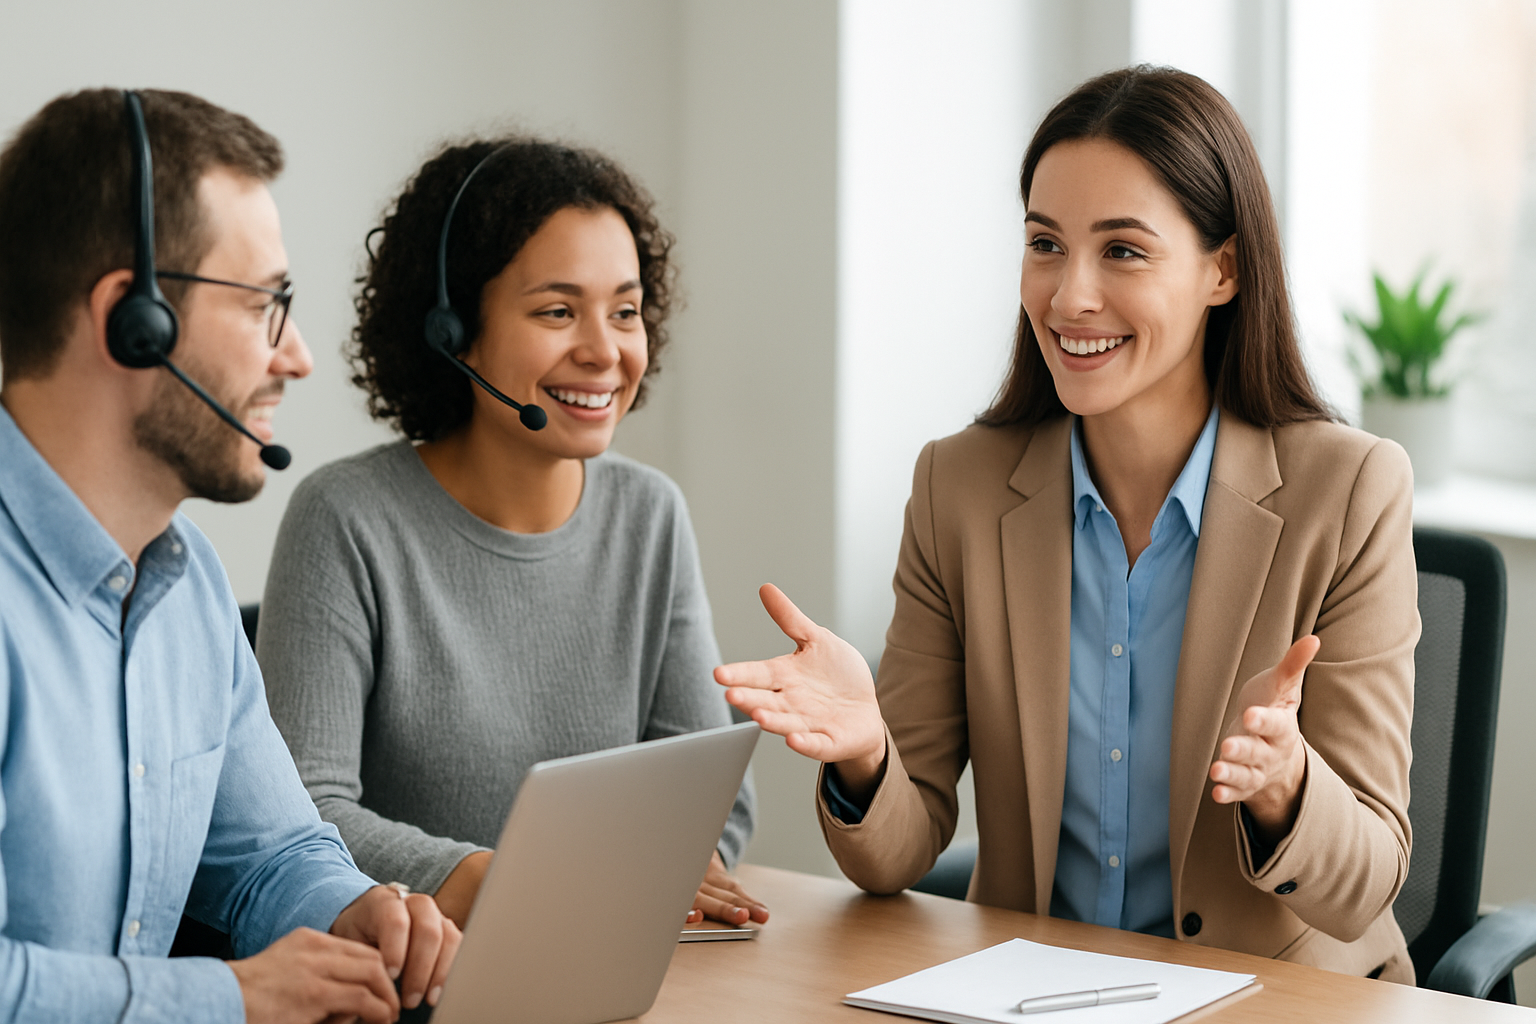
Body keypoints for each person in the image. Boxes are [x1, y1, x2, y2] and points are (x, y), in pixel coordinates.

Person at [717, 66, 1418, 982]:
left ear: (1224, 269)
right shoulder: (957, 488)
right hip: (1037, 994)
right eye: (1046, 244)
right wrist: (865, 753)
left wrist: (1287, 788)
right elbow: (894, 852)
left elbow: (1364, 884)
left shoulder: (1351, 488)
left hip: (1273, 997)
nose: (1069, 295)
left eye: (1123, 250)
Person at [0, 88, 461, 1023]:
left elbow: (268, 854)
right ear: (135, 322)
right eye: (266, 307)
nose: (298, 359)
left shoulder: (187, 582)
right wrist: (230, 998)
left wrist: (355, 910)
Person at [257, 136, 764, 931]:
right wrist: (503, 881)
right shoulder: (345, 518)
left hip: (613, 960)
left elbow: (709, 804)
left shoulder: (650, 515)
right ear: (450, 329)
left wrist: (683, 865)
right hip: (419, 975)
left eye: (624, 311)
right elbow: (301, 816)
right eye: (558, 311)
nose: (604, 351)